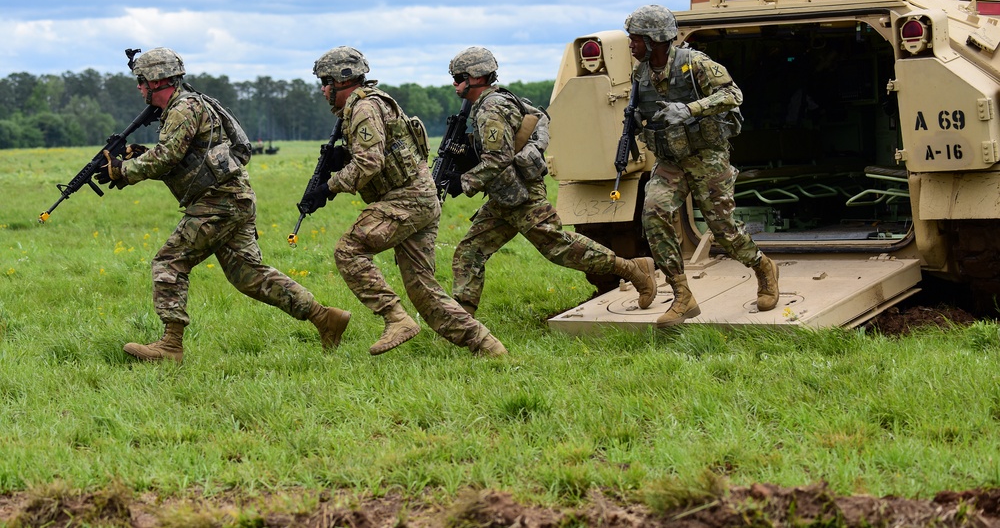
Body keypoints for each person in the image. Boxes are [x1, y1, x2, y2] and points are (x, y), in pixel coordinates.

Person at [96, 47, 351, 362]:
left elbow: (168, 157)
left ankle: (171, 346)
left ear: (157, 81)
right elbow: (185, 158)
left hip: (219, 202)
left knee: (169, 262)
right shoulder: (187, 106)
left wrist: (123, 170)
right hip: (231, 198)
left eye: (141, 81)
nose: (138, 87)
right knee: (248, 275)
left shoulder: (183, 109)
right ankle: (325, 318)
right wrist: (139, 157)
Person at [302, 46, 507, 357]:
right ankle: (490, 349)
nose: (322, 89)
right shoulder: (373, 104)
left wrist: (328, 188)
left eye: (325, 82)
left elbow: (368, 164)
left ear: (340, 81)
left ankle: (396, 319)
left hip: (406, 200)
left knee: (349, 250)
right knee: (425, 293)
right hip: (419, 199)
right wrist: (341, 158)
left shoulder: (364, 109)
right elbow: (381, 154)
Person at [448, 46, 658, 318]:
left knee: (560, 247)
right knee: (470, 253)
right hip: (505, 195)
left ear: (476, 77)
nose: (454, 83)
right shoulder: (498, 100)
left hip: (522, 196)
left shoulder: (491, 108)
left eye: (458, 77)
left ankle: (633, 269)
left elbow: (497, 160)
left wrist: (462, 182)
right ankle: (462, 324)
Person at [623, 4, 780, 326]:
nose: (630, 45)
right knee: (653, 213)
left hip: (707, 158)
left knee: (724, 232)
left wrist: (691, 109)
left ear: (655, 39)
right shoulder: (640, 74)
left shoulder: (696, 63)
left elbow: (732, 95)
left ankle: (763, 267)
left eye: (635, 39)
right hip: (670, 162)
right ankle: (682, 295)